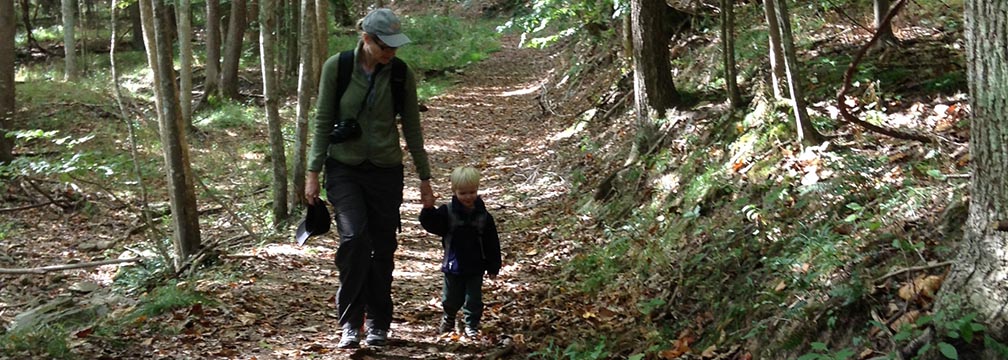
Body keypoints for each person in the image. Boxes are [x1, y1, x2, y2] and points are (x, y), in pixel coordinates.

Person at [305, 8, 434, 349]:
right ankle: (350, 322)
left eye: (395, 45)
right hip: (344, 167)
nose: (392, 52)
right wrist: (312, 172)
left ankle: (378, 321)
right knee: (354, 239)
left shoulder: (400, 74)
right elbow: (322, 120)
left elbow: (412, 126)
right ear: (367, 39)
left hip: (386, 169)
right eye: (385, 46)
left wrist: (424, 177)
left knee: (383, 246)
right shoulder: (339, 67)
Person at [419, 166, 502, 338]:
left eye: (472, 192)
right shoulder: (447, 212)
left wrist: (493, 266)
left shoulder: (484, 216)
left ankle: (472, 324)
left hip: (476, 265)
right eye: (463, 193)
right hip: (453, 264)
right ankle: (449, 317)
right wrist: (428, 210)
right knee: (451, 298)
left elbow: (492, 242)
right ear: (454, 191)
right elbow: (433, 225)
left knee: (473, 299)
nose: (468, 197)